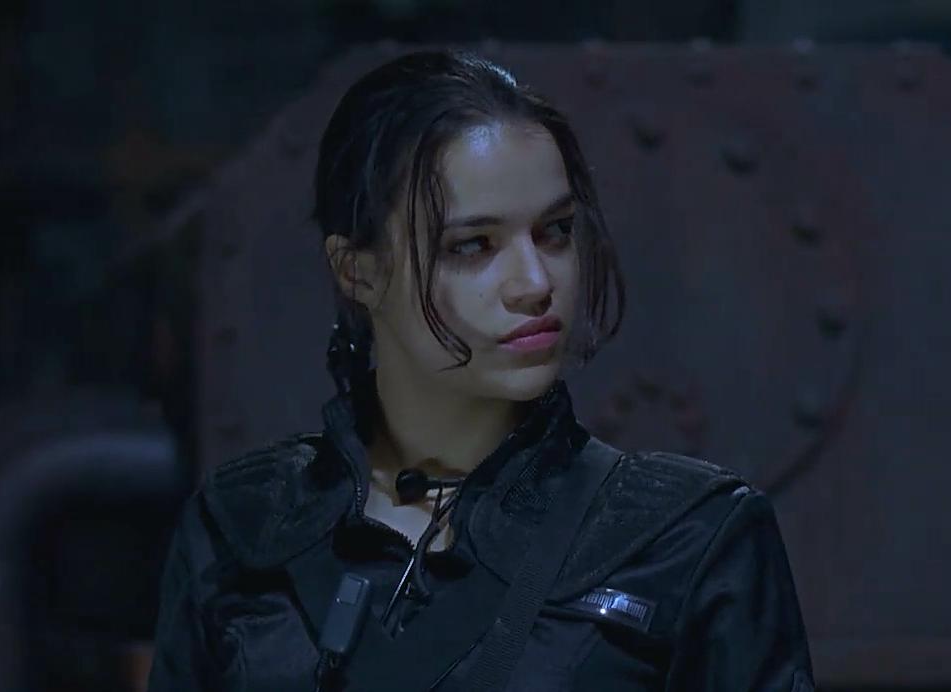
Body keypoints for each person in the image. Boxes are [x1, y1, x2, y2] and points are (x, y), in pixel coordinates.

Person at [146, 49, 814, 692]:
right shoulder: (244, 525)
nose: (535, 283)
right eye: (473, 246)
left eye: (555, 231)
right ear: (358, 273)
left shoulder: (689, 538)